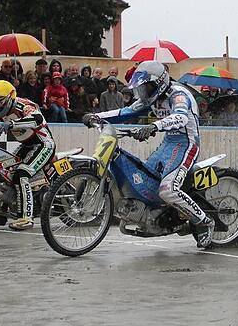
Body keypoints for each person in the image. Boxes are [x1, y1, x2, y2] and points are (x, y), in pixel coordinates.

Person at [82, 61, 218, 248]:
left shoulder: (178, 94)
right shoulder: (152, 98)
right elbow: (127, 111)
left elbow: (180, 117)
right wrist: (97, 116)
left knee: (168, 189)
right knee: (148, 183)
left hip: (187, 143)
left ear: (158, 83)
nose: (143, 92)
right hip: (168, 143)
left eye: (145, 87)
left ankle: (204, 222)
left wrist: (154, 126)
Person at [0, 81, 53, 230]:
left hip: (43, 145)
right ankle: (1, 214)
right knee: (6, 174)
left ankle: (26, 218)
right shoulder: (0, 109)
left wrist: (11, 124)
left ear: (9, 99)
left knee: (21, 175)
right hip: (26, 146)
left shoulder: (24, 106)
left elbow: (37, 119)